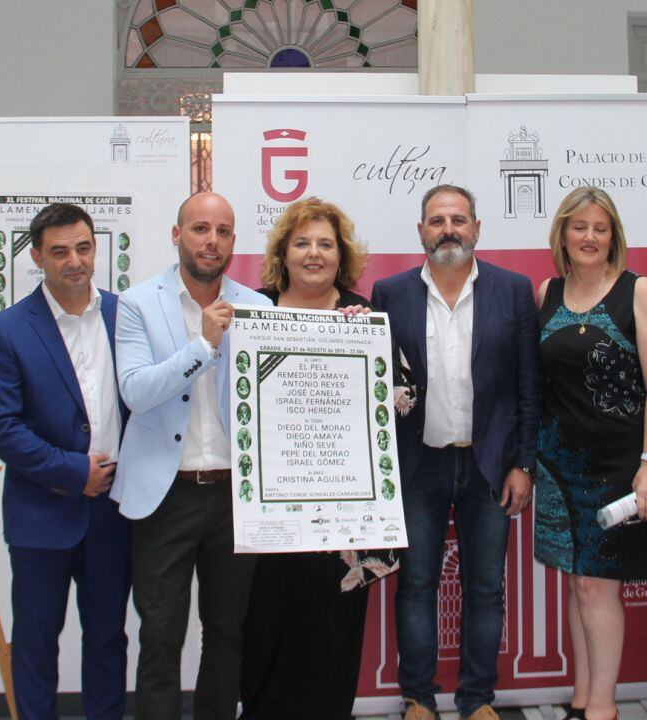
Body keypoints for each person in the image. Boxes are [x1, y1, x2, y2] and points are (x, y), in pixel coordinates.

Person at [371, 184, 543, 720]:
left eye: (459, 219)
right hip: (418, 464)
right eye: (437, 219)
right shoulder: (389, 293)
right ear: (421, 230)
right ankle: (418, 698)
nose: (449, 229)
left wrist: (523, 464)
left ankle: (477, 700)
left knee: (486, 590)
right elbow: (378, 385)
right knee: (417, 586)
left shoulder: (513, 291)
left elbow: (529, 387)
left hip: (489, 465)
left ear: (477, 228)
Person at [111, 192, 272, 720]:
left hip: (234, 496)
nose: (213, 241)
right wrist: (203, 346)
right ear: (176, 235)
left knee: (227, 633)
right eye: (201, 229)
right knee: (160, 634)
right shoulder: (137, 303)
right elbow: (136, 392)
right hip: (165, 496)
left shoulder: (259, 306)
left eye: (224, 231)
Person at [239, 196, 396, 720]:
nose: (313, 253)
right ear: (282, 252)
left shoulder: (365, 316)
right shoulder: (253, 312)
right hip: (269, 518)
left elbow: (405, 399)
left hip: (342, 522)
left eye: (325, 244)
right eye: (301, 242)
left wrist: (367, 354)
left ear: (341, 254)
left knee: (330, 639)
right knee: (263, 630)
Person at [0, 203, 131, 720]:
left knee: (109, 637)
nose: (75, 261)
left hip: (114, 512)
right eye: (60, 251)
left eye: (83, 248)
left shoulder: (123, 315)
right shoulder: (8, 329)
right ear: (37, 256)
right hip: (41, 515)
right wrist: (73, 472)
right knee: (37, 642)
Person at [533, 187, 647, 720]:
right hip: (556, 464)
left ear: (613, 235)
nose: (589, 237)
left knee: (597, 583)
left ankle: (604, 708)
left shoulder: (637, 293)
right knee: (577, 579)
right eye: (579, 227)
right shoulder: (545, 291)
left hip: (618, 466)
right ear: (562, 233)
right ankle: (583, 695)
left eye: (600, 228)